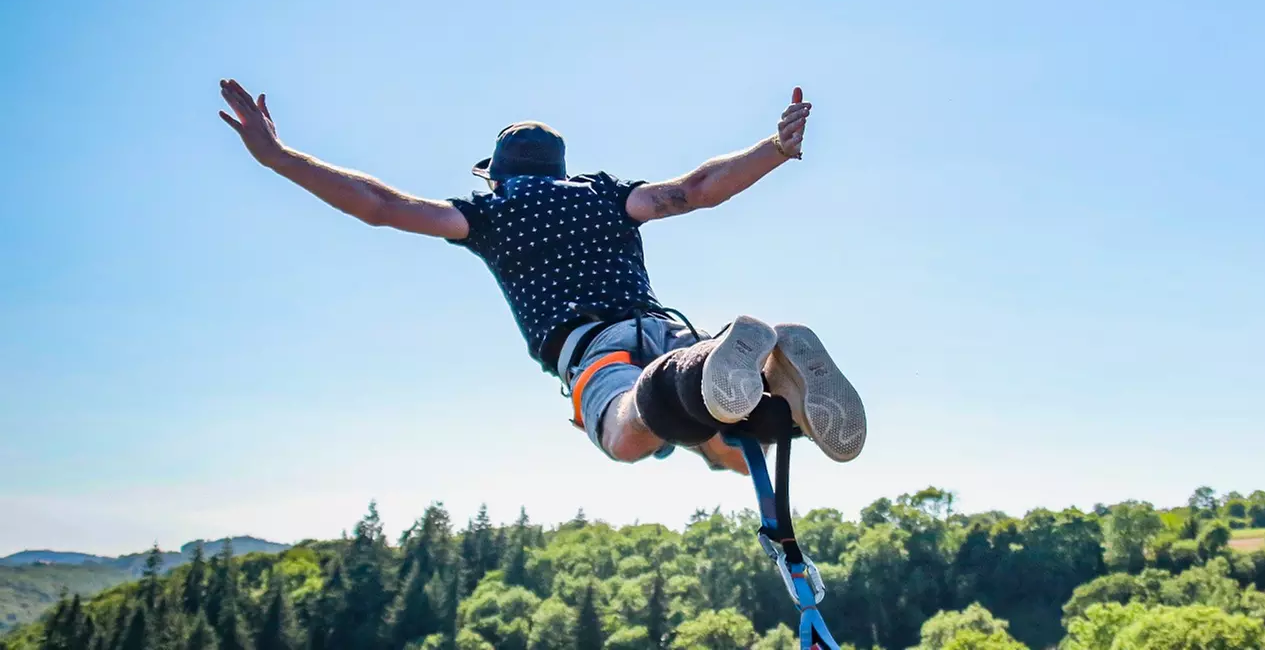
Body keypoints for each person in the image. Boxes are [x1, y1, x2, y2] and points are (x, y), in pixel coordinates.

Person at [216, 79, 866, 474]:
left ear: (496, 173)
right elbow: (697, 190)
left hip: (594, 352)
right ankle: (760, 390)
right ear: (558, 168)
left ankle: (714, 378)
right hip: (663, 332)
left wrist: (279, 158)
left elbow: (381, 206)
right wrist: (774, 150)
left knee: (621, 434)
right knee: (720, 442)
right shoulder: (604, 196)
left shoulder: (487, 213)